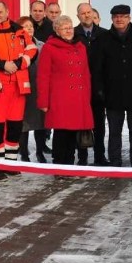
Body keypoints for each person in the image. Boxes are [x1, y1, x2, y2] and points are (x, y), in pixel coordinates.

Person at [0, 1, 38, 177]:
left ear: (7, 11)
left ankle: (10, 163)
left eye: (0, 11)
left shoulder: (19, 31)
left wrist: (17, 63)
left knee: (15, 126)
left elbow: (32, 49)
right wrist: (2, 65)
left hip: (18, 85)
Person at [92, 4, 132, 167]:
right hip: (112, 93)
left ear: (129, 18)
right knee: (114, 132)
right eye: (116, 16)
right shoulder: (103, 39)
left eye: (123, 16)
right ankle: (115, 162)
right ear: (111, 19)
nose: (119, 19)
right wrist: (100, 91)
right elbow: (97, 68)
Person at [36, 16, 94, 165]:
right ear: (57, 30)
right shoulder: (50, 47)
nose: (69, 30)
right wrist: (43, 101)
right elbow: (43, 76)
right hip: (60, 98)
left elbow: (86, 73)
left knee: (74, 133)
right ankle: (60, 164)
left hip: (78, 97)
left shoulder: (80, 47)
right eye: (64, 28)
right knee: (62, 132)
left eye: (70, 27)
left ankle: (71, 164)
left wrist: (86, 96)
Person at [74, 2, 108, 165]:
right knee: (80, 124)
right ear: (78, 16)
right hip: (79, 88)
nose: (86, 15)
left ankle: (100, 156)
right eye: (83, 13)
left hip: (98, 87)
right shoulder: (73, 35)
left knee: (99, 125)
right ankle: (82, 158)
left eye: (89, 12)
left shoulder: (104, 34)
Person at [16, 16, 48, 163]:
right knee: (25, 124)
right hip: (22, 89)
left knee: (41, 124)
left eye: (31, 26)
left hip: (39, 88)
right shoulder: (15, 45)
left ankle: (40, 151)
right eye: (25, 26)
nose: (29, 28)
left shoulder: (41, 45)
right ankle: (24, 153)